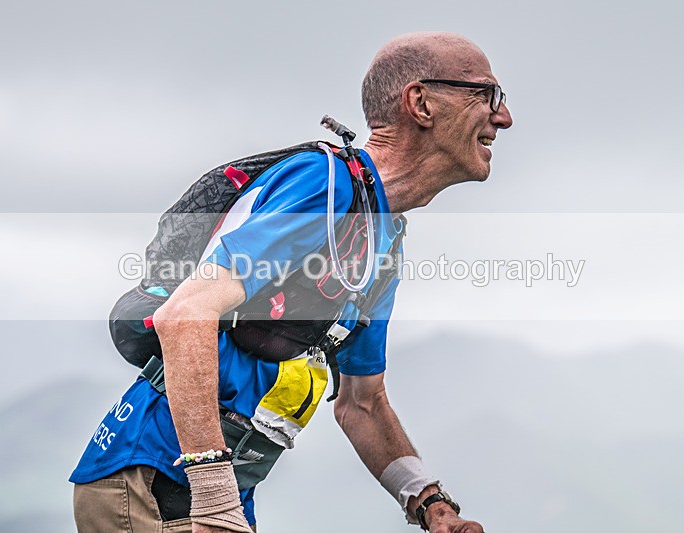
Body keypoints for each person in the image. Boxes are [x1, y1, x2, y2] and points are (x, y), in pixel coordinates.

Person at [70, 31, 512, 533]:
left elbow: (361, 403)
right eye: (487, 96)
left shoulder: (383, 237)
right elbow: (186, 313)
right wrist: (214, 497)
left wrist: (429, 505)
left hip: (220, 495)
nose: (504, 117)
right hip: (154, 486)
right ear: (421, 103)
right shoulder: (323, 188)